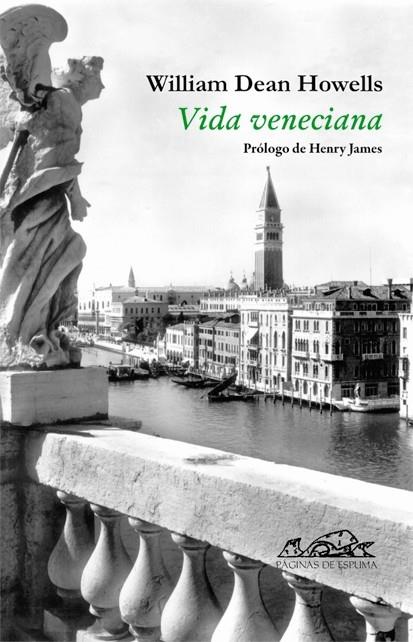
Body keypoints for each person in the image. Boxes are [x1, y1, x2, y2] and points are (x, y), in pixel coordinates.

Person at [0, 56, 103, 367]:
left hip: (44, 193)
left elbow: (61, 160)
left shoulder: (62, 102)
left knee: (44, 261)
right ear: (81, 78)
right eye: (97, 77)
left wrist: (76, 197)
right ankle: (23, 335)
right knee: (45, 259)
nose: (102, 85)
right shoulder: (64, 102)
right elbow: (58, 157)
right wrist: (76, 198)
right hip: (41, 196)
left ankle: (37, 331)